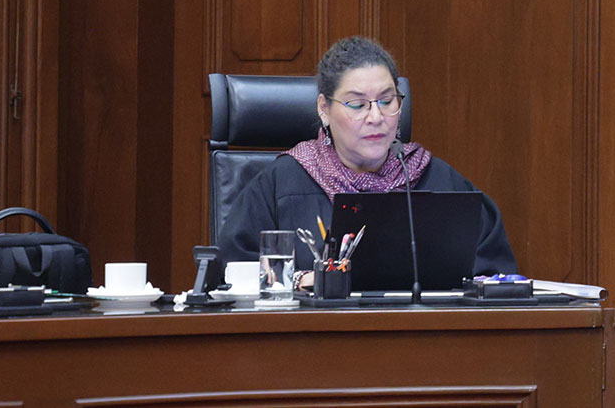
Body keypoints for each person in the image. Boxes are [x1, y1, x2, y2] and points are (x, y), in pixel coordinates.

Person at [217, 35, 516, 277]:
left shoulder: (439, 181)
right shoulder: (281, 185)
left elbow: (495, 278)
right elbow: (234, 273)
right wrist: (299, 281)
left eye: (387, 101)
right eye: (358, 105)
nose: (376, 117)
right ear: (324, 108)